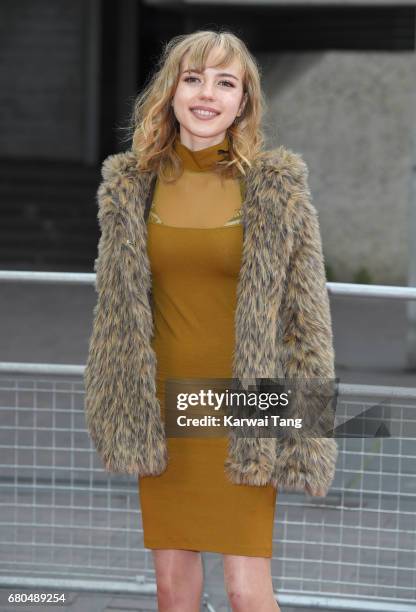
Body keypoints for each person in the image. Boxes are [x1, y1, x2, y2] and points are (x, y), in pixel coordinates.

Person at [84, 29, 338, 612]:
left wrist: (307, 436)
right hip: (161, 404)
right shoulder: (130, 187)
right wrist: (118, 405)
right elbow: (115, 315)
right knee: (172, 590)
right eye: (193, 78)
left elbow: (308, 321)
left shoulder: (276, 188)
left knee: (246, 589)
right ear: (170, 91)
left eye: (225, 83)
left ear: (244, 101)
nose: (207, 94)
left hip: (247, 408)